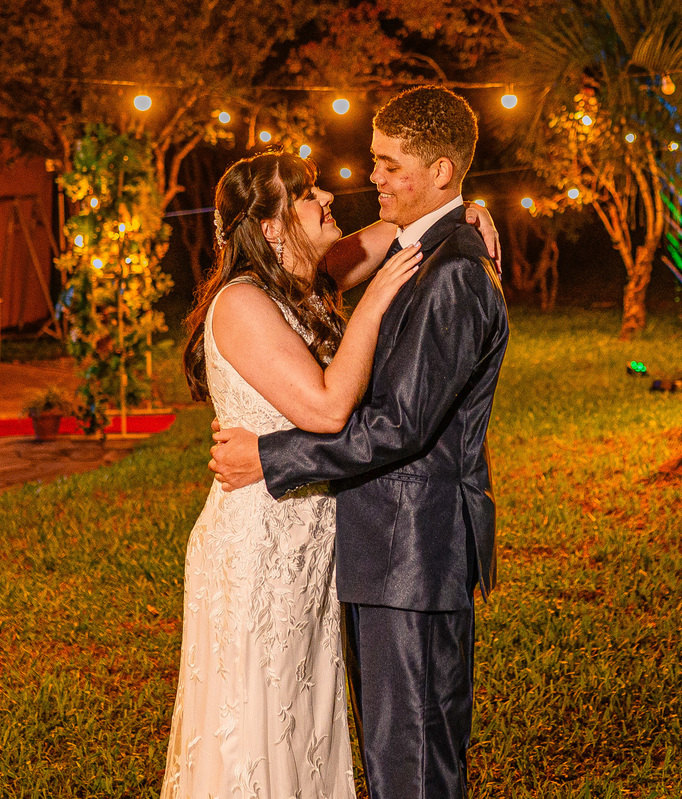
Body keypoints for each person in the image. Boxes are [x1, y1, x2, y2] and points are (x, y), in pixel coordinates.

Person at [161, 148, 499, 798]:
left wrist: (462, 211)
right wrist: (372, 307)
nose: (328, 202)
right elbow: (324, 406)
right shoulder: (240, 304)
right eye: (307, 195)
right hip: (257, 545)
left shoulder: (310, 284)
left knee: (305, 720)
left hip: (310, 546)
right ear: (269, 227)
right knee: (255, 723)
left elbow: (402, 229)